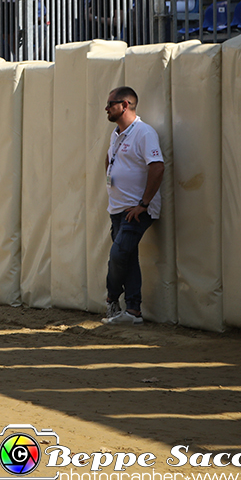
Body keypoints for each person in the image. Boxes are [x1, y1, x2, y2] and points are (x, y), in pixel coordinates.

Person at [102, 87, 165, 325]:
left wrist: (144, 204)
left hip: (135, 210)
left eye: (110, 104)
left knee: (118, 255)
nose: (106, 108)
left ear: (125, 105)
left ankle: (111, 299)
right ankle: (133, 311)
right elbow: (109, 158)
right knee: (127, 258)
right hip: (117, 209)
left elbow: (157, 167)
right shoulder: (116, 133)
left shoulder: (144, 133)